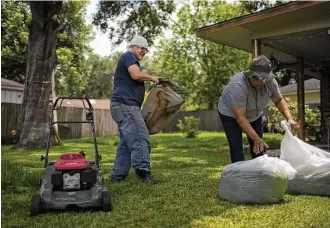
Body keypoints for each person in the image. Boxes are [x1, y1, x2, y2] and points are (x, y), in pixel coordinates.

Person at [218, 55, 300, 163]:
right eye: (262, 79)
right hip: (231, 114)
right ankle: (239, 177)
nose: (264, 82)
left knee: (259, 147)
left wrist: (289, 118)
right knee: (236, 147)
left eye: (266, 78)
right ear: (252, 76)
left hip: (254, 114)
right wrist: (255, 137)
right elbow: (240, 117)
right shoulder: (238, 86)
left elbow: (279, 101)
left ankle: (259, 175)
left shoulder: (270, 82)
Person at [109, 35, 161, 184]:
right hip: (125, 105)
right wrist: (151, 77)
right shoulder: (128, 56)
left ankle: (117, 176)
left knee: (126, 143)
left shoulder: (133, 60)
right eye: (141, 48)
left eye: (146, 49)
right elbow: (136, 75)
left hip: (121, 106)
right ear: (133, 47)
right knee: (140, 137)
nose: (144, 51)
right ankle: (143, 174)